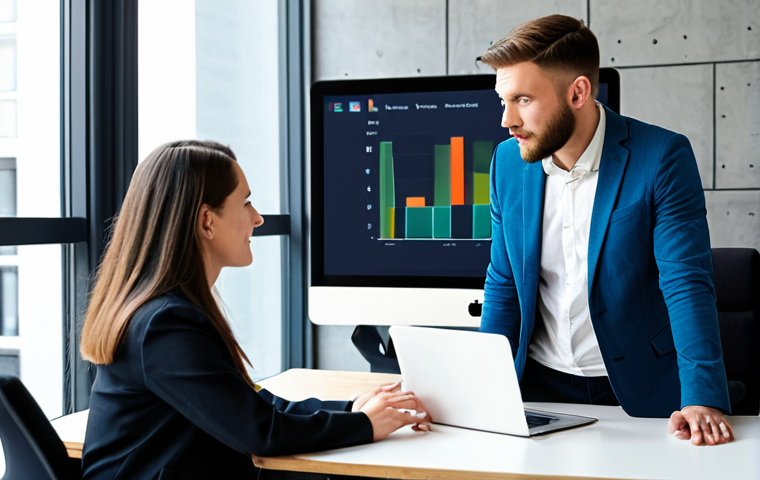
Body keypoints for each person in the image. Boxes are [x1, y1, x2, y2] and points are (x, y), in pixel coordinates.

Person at [80, 140, 430, 480]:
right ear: (207, 221)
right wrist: (365, 425)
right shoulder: (165, 325)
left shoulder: (164, 311)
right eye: (246, 203)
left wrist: (353, 408)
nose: (258, 219)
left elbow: (250, 407)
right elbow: (261, 432)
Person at [477, 15, 734, 446]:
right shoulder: (506, 163)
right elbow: (504, 283)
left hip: (640, 390)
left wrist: (702, 398)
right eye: (503, 100)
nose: (507, 120)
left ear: (577, 92)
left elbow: (685, 282)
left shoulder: (661, 157)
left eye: (522, 99)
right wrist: (479, 388)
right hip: (538, 388)